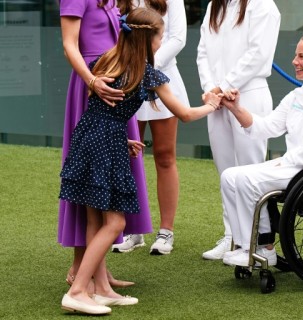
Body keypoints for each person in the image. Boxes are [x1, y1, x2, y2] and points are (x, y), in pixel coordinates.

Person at [59, 8, 222, 315]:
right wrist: (211, 105)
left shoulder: (105, 60)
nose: (161, 44)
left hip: (89, 139)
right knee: (116, 222)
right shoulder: (148, 74)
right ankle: (78, 290)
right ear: (150, 40)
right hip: (106, 145)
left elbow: (100, 112)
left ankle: (101, 289)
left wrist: (121, 138)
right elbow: (185, 114)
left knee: (95, 220)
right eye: (160, 38)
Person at [218, 34, 303, 267]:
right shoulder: (296, 95)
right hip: (293, 165)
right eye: (296, 55)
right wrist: (235, 108)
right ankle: (247, 246)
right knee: (229, 176)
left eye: (302, 56)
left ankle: (264, 247)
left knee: (247, 179)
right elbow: (266, 126)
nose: (294, 61)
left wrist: (279, 163)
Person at [58, 0, 152, 289]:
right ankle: (80, 268)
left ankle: (99, 273)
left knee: (106, 183)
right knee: (88, 179)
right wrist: (91, 81)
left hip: (117, 84)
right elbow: (69, 45)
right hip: (92, 86)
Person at [197, 0, 281, 261]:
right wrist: (212, 88)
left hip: (250, 94)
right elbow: (202, 52)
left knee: (251, 169)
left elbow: (257, 54)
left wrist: (223, 86)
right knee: (226, 171)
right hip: (217, 100)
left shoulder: (264, 6)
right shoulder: (215, 5)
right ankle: (232, 236)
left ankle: (262, 242)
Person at [112, 0, 189, 255]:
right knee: (130, 155)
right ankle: (135, 229)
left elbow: (178, 38)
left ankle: (166, 232)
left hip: (163, 80)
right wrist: (132, 67)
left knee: (165, 156)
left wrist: (147, 66)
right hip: (129, 80)